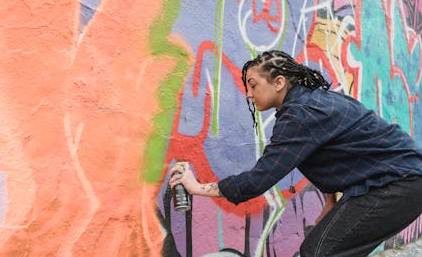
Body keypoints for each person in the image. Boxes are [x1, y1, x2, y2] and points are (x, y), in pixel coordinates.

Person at [169, 50, 422, 256]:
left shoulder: (299, 114)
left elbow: (259, 180)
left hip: (398, 183)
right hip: (399, 181)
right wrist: (331, 203)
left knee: (319, 252)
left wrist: (197, 187)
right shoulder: (313, 102)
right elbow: (335, 152)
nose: (248, 94)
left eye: (253, 85)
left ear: (279, 82)